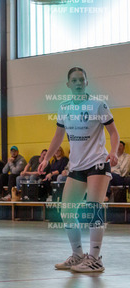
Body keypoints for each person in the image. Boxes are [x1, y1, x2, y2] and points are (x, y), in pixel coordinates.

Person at [39, 67, 118, 273]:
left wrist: (113, 152)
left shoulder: (98, 105)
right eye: (74, 80)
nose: (78, 83)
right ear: (68, 84)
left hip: (98, 163)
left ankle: (95, 259)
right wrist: (46, 159)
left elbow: (113, 132)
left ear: (86, 82)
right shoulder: (64, 108)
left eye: (81, 80)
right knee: (66, 212)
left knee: (93, 208)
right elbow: (58, 136)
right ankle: (77, 255)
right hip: (77, 166)